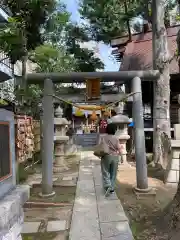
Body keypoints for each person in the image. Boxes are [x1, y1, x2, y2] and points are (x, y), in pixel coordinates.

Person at [100, 123, 122, 196]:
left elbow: (101, 147)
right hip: (115, 157)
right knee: (113, 173)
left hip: (106, 156)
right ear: (114, 130)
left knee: (105, 171)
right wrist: (121, 156)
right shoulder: (116, 138)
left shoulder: (104, 137)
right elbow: (119, 148)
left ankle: (107, 185)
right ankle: (112, 188)